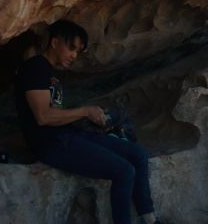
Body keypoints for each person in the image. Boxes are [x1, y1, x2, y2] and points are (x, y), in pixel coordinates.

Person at [14, 20, 163, 224]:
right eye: (72, 48)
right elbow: (43, 116)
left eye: (78, 51)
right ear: (55, 42)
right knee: (124, 171)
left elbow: (56, 114)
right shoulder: (35, 68)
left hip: (67, 135)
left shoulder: (51, 74)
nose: (74, 55)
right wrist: (85, 111)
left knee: (138, 154)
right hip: (52, 144)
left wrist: (89, 120)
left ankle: (150, 219)